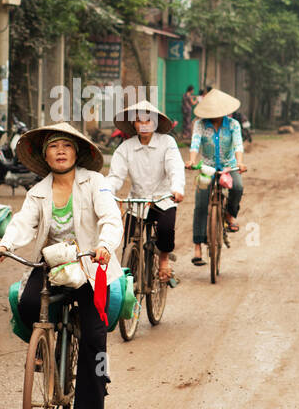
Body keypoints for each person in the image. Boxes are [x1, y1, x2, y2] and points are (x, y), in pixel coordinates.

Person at [0, 122, 123, 409]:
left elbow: (110, 218)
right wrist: (5, 246)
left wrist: (105, 244)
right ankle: (46, 349)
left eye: (67, 146)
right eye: (53, 146)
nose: (60, 151)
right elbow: (23, 223)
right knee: (28, 301)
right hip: (52, 265)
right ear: (44, 156)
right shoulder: (38, 192)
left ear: (77, 153)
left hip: (90, 264)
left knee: (93, 334)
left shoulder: (96, 183)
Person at [105, 100, 185, 282]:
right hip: (137, 202)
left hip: (163, 198)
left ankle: (164, 260)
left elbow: (175, 168)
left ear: (155, 123)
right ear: (134, 123)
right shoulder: (125, 148)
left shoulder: (167, 142)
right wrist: (107, 192)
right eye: (139, 120)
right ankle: (129, 280)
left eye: (148, 120)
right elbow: (115, 176)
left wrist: (177, 188)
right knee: (128, 241)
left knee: (165, 229)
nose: (144, 124)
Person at [187, 88, 248, 265]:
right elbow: (194, 144)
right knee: (200, 203)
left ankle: (229, 214)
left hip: (229, 166)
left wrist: (240, 163)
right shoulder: (199, 124)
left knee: (238, 187)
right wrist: (191, 161)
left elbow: (238, 145)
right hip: (207, 167)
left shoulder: (233, 125)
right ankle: (198, 246)